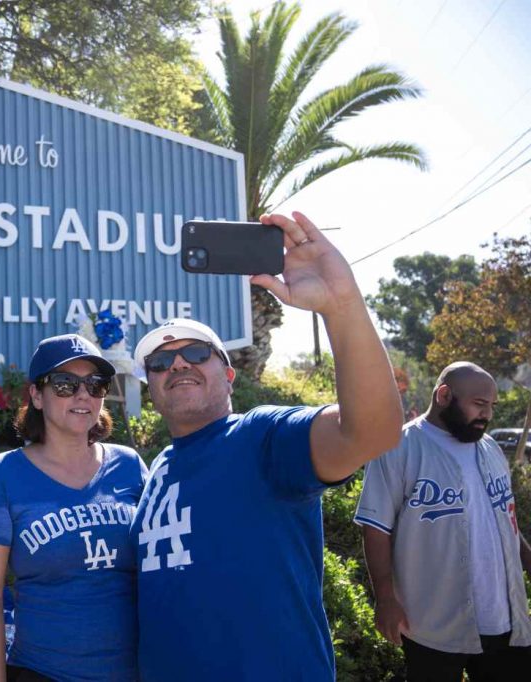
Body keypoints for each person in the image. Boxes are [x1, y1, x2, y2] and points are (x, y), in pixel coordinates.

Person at [131, 211, 404, 681]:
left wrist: (340, 305)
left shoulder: (260, 438)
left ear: (229, 374)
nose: (177, 365)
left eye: (197, 353)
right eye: (159, 361)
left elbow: (372, 431)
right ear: (150, 389)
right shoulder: (156, 471)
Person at [0, 334, 148, 682]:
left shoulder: (129, 465)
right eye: (65, 384)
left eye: (95, 385)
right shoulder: (3, 475)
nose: (83, 394)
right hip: (44, 671)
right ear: (36, 395)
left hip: (136, 671)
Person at [355, 362, 531, 681]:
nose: (487, 415)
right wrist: (385, 600)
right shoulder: (398, 447)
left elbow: (507, 521)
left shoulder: (491, 449)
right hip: (430, 621)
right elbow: (376, 529)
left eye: (491, 405)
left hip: (505, 621)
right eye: (479, 404)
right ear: (445, 395)